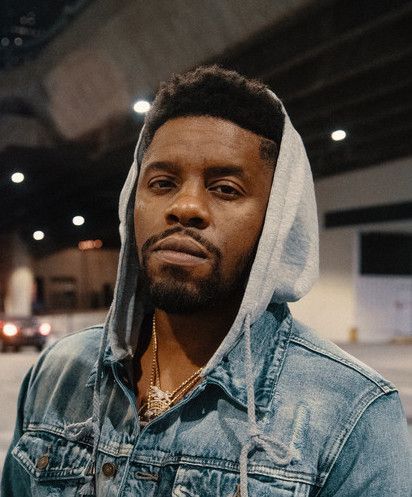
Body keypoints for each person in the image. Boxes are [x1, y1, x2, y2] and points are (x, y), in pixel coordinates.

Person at [2, 66, 411, 497]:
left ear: (275, 222)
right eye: (162, 182)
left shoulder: (351, 414)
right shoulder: (60, 371)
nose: (185, 207)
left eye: (225, 188)